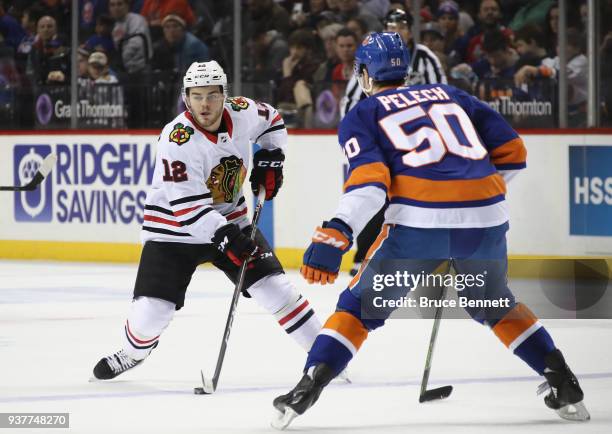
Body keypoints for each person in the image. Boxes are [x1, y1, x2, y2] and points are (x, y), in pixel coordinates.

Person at [271, 32, 590, 429]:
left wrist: (339, 230)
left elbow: (370, 186)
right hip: (486, 218)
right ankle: (562, 378)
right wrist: (470, 193)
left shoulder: (362, 114)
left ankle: (308, 386)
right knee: (493, 302)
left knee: (357, 309)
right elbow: (514, 153)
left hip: (420, 226)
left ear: (366, 74)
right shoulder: (451, 94)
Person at [92, 61, 323, 380]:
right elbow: (188, 208)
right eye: (197, 96)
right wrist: (225, 235)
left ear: (224, 95)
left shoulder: (242, 112)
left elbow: (272, 120)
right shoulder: (177, 139)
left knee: (276, 289)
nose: (205, 104)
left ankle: (328, 356)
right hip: (172, 232)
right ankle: (133, 353)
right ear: (186, 98)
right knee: (150, 316)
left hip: (232, 221)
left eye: (212, 96)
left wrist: (272, 156)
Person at [341, 8, 447, 277]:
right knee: (373, 194)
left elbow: (441, 96)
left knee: (411, 197)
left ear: (411, 29)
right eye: (391, 24)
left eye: (401, 24)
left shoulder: (425, 58)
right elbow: (352, 103)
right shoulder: (372, 61)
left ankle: (420, 254)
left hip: (416, 141)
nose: (396, 29)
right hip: (379, 140)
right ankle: (364, 254)